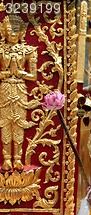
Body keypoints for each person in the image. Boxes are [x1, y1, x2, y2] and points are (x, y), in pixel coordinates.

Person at [0, 15, 37, 171]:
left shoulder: (28, 51)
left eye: (17, 31)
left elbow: (33, 76)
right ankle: (7, 159)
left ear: (22, 32)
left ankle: (18, 158)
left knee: (19, 123)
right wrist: (8, 73)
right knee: (6, 122)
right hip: (5, 87)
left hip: (21, 88)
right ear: (4, 32)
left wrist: (19, 73)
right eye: (10, 31)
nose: (13, 34)